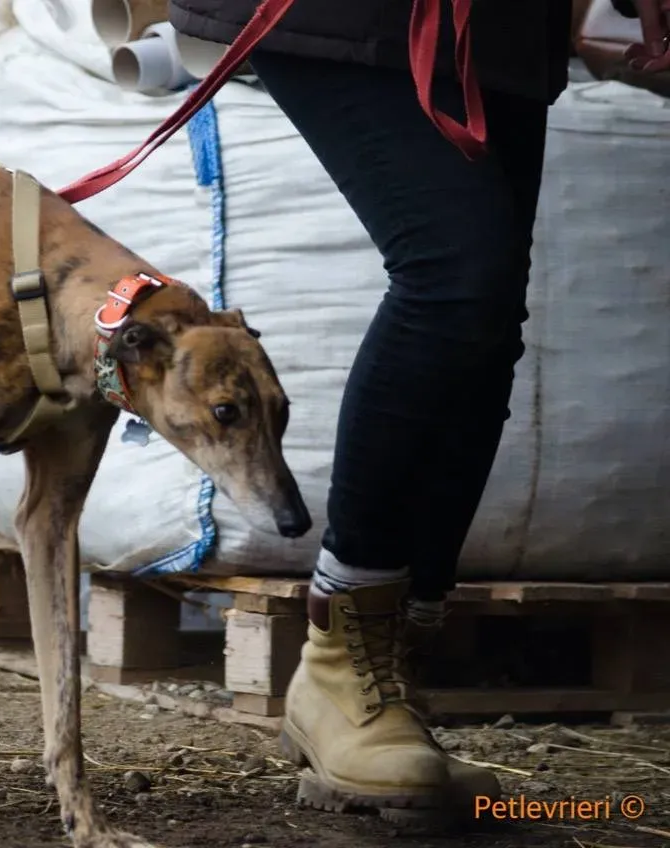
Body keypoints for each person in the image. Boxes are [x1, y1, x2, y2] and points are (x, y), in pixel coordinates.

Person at [165, 0, 670, 823]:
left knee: (489, 311)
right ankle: (339, 658)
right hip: (343, 15)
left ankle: (388, 666)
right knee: (455, 276)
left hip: (502, 23)